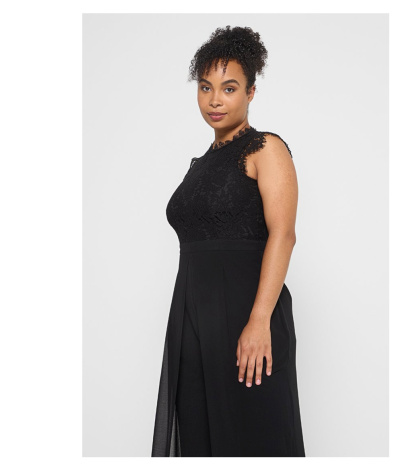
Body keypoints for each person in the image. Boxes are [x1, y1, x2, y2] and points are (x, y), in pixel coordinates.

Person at [151, 25, 305, 457]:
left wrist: (259, 321)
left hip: (247, 318)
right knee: (201, 439)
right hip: (193, 323)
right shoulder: (198, 164)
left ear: (251, 92)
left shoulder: (266, 148)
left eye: (229, 88)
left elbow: (284, 234)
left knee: (254, 437)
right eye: (205, 87)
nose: (215, 100)